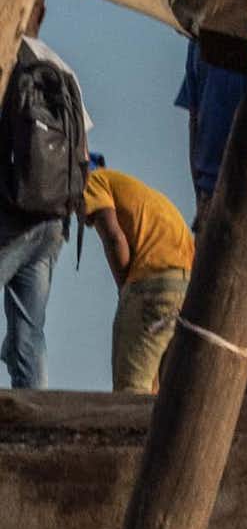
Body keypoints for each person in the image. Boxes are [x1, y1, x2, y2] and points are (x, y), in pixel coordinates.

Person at [175, 40, 247, 387]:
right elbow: (195, 116)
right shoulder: (201, 39)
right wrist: (202, 194)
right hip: (219, 193)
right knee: (214, 319)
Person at [0, 0, 86, 391]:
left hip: (10, 216)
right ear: (43, 12)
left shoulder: (7, 57)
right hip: (53, 222)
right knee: (29, 333)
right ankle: (35, 418)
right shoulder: (62, 68)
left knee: (26, 334)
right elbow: (82, 151)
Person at [80, 160, 194, 393]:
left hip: (152, 285)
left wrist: (125, 291)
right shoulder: (137, 192)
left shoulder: (92, 180)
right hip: (186, 286)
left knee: (131, 391)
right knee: (162, 392)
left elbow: (114, 238)